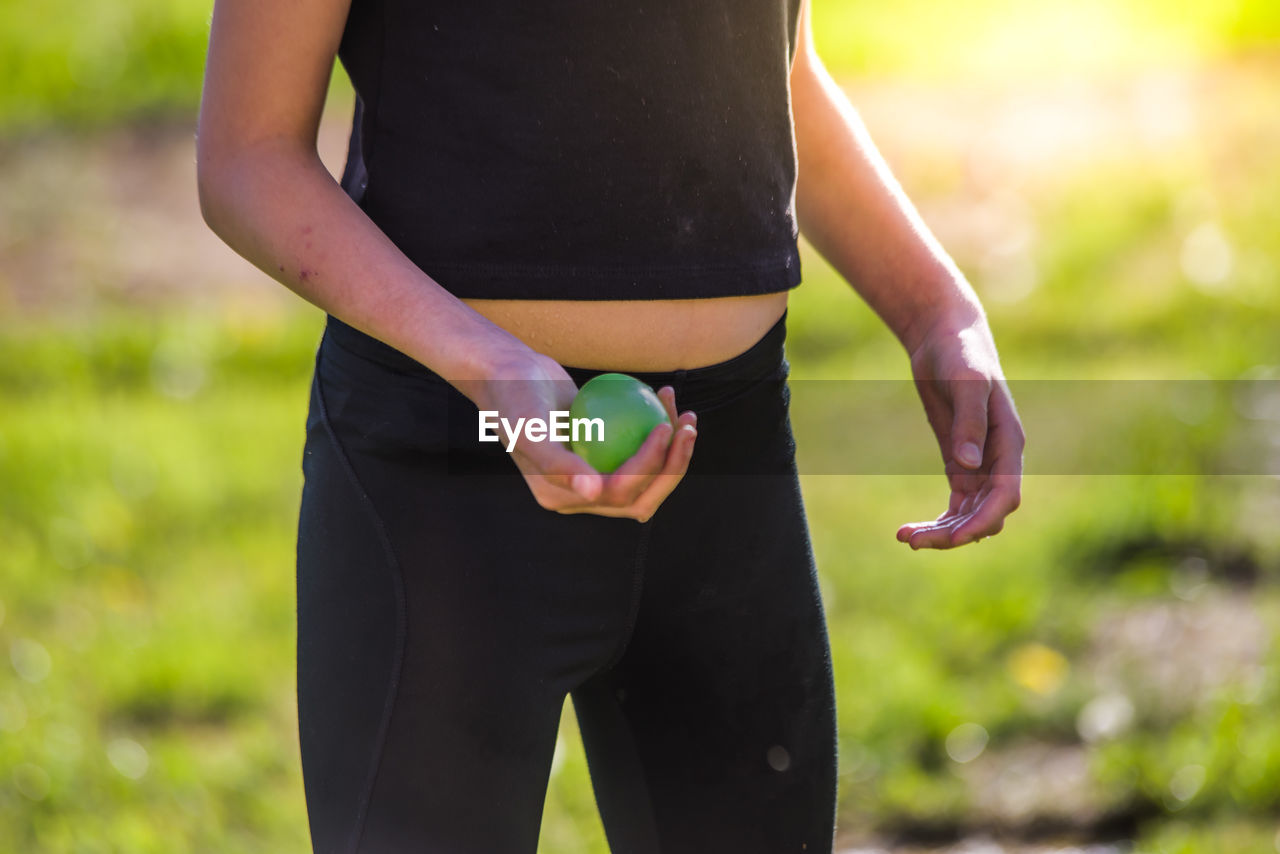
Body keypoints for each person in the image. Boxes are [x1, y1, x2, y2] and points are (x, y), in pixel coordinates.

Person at [196, 0, 1025, 850]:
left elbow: (773, 70)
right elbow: (248, 154)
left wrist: (935, 311)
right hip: (448, 478)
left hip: (729, 465)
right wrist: (490, 364)